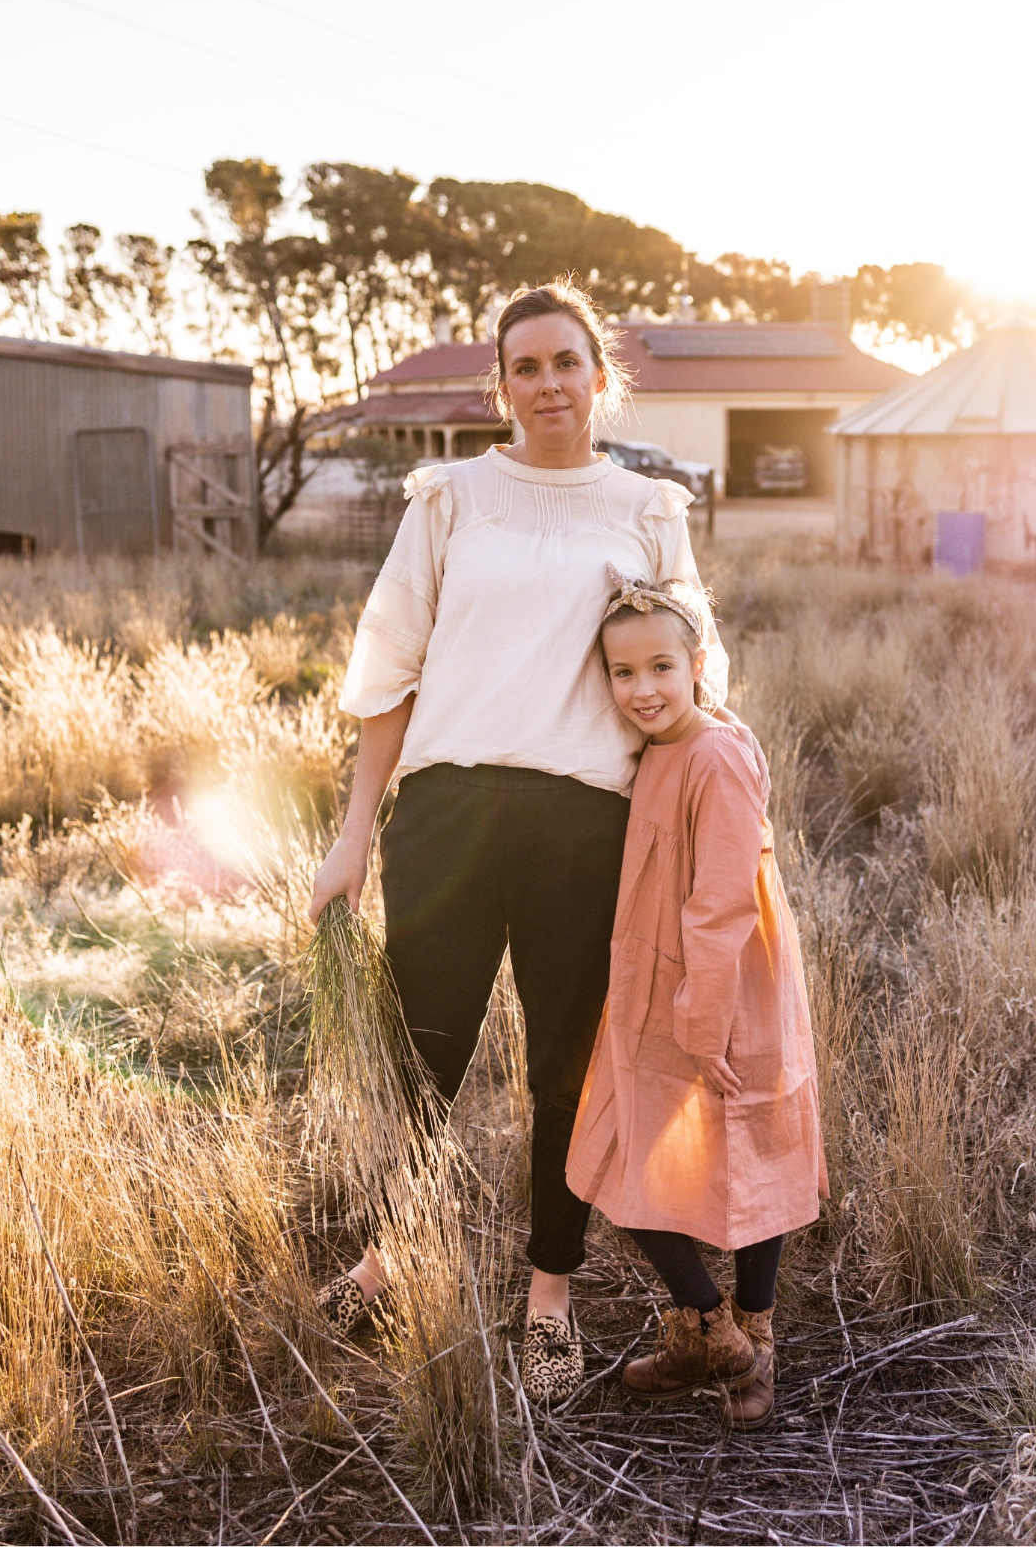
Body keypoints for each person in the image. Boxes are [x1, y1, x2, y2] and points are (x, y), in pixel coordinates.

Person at [306, 280, 725, 1408]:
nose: (547, 383)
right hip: (445, 814)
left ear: (602, 375)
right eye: (525, 366)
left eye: (566, 361)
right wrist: (353, 835)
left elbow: (690, 679)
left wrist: (706, 834)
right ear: (501, 386)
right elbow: (389, 667)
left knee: (564, 1068)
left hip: (585, 823)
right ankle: (391, 1255)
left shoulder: (647, 509)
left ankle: (550, 1293)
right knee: (420, 1056)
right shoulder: (451, 499)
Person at [566, 572, 826, 1431]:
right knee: (624, 1156)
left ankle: (749, 1335)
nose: (641, 690)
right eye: (622, 673)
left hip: (717, 986)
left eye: (659, 668)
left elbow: (721, 899)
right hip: (657, 980)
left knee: (747, 1151)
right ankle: (710, 1333)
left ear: (698, 662)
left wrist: (704, 1009)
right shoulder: (658, 751)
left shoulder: (713, 753)